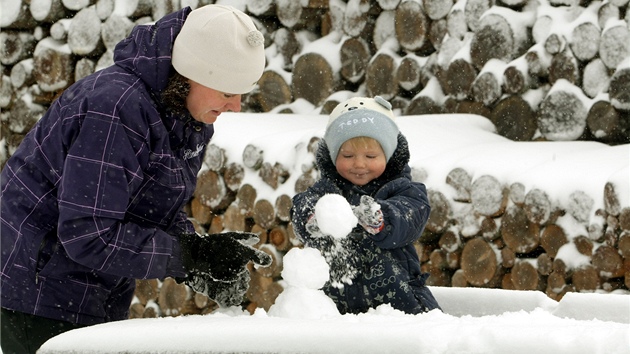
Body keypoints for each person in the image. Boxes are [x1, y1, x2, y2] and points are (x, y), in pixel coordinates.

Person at [0, 5, 272, 353]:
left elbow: (155, 210)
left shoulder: (185, 115)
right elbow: (89, 233)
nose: (236, 106)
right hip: (40, 291)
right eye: (226, 91)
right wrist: (188, 256)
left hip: (94, 289)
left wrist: (200, 257)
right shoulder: (115, 109)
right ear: (191, 73)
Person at [291, 96, 441, 315]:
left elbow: (409, 217)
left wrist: (381, 218)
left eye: (371, 155)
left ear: (388, 156)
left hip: (400, 306)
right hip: (335, 310)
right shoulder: (325, 191)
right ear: (333, 157)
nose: (359, 164)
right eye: (348, 155)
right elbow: (300, 209)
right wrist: (313, 218)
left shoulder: (405, 190)